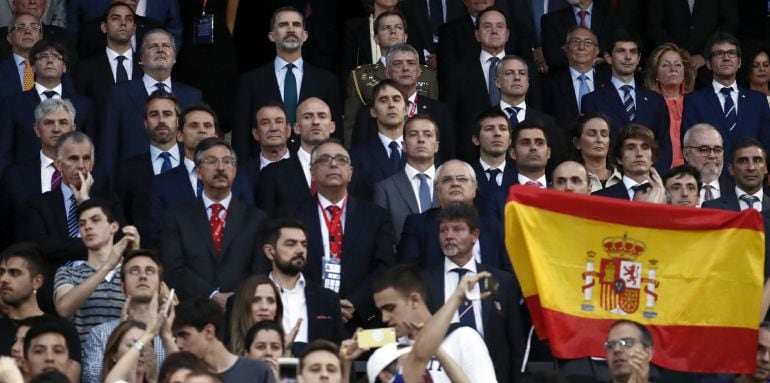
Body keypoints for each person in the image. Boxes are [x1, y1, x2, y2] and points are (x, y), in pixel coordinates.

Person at [283, 138, 395, 329]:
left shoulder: (376, 216)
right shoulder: (290, 215)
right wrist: (320, 302)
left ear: (350, 173)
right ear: (312, 172)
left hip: (361, 321)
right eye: (325, 159)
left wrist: (355, 302)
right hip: (306, 316)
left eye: (341, 159)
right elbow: (284, 264)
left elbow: (384, 267)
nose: (333, 164)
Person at [422, 203, 524, 383]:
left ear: (475, 235)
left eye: (457, 229)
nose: (449, 236)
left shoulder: (501, 281)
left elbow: (516, 345)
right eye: (443, 230)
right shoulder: (424, 282)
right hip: (441, 375)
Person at [159, 138, 267, 302]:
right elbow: (174, 268)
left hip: (240, 309)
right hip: (193, 310)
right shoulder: (176, 217)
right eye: (211, 161)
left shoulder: (256, 218)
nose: (221, 168)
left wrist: (233, 299)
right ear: (198, 172)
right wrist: (212, 296)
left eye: (227, 161)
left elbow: (259, 269)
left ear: (235, 170)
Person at [231, 6, 342, 160]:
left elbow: (336, 135)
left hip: (314, 168)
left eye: (296, 25)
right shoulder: (249, 81)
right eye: (283, 25)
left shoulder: (327, 81)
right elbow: (241, 137)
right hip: (264, 170)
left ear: (305, 35)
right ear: (271, 35)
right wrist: (244, 176)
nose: (291, 29)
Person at [145, 104, 254, 247]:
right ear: (179, 135)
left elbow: (249, 225)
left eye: (207, 126)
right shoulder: (162, 183)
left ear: (216, 135)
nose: (202, 130)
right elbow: (157, 235)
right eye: (194, 126)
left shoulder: (238, 177)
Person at [99, 28, 203, 175]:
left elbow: (199, 144)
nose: (160, 50)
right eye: (153, 46)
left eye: (166, 46)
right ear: (141, 58)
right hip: (132, 183)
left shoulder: (192, 96)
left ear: (174, 57)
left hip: (183, 183)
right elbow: (108, 146)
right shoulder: (119, 93)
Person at [373, 264, 498, 382]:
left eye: (390, 308)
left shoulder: (463, 337)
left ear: (414, 300)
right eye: (381, 311)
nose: (384, 318)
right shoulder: (388, 351)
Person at [343, 10, 439, 145]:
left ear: (406, 36)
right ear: (375, 38)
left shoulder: (427, 74)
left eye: (398, 27)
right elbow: (351, 123)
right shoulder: (360, 76)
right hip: (377, 146)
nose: (393, 31)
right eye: (386, 28)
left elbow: (435, 114)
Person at [0, 38, 95, 173]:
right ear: (32, 66)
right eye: (43, 56)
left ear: (64, 67)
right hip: (25, 182)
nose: (50, 61)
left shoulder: (84, 105)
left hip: (72, 181)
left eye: (56, 57)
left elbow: (91, 151)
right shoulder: (12, 104)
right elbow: (4, 152)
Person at [398, 159, 511, 272]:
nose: (455, 183)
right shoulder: (418, 224)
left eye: (462, 179)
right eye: (447, 180)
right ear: (437, 191)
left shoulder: (494, 226)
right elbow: (406, 275)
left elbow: (507, 273)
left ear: (474, 189)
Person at [581, 29, 671, 170]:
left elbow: (664, 145)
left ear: (639, 58)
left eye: (633, 52)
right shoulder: (592, 100)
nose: (628, 57)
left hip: (649, 179)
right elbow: (591, 145)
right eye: (621, 51)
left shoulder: (656, 100)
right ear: (608, 57)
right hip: (610, 179)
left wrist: (654, 177)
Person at [82, 249, 176, 383]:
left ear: (161, 287)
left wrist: (166, 338)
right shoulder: (102, 333)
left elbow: (187, 377)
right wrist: (121, 336)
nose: (143, 276)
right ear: (122, 287)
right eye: (134, 271)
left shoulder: (173, 333)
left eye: (149, 271)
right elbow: (92, 379)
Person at [351, 43, 453, 163]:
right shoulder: (366, 114)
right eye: (398, 64)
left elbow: (447, 158)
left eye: (411, 63)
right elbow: (358, 158)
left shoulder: (439, 111)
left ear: (419, 71)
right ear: (387, 72)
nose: (405, 68)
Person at [53, 198, 137, 342]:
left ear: (114, 227)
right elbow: (63, 309)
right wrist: (107, 267)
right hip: (86, 361)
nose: (88, 227)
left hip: (129, 357)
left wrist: (137, 257)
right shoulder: (68, 272)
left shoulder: (132, 273)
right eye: (82, 223)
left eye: (95, 220)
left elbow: (164, 303)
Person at [0, 98, 77, 249]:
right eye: (48, 123)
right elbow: (4, 229)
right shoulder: (13, 177)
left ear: (73, 129)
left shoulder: (94, 174)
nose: (56, 129)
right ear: (36, 129)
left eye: (63, 122)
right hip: (29, 262)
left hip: (78, 262)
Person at [262, 218, 347, 353]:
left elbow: (341, 351)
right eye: (291, 244)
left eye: (304, 244)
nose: (300, 250)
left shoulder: (327, 299)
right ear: (270, 252)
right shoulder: (249, 296)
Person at [0, 245, 81, 382]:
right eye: (1, 272)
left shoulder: (62, 329)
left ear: (37, 281)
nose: (4, 279)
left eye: (14, 273)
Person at [682, 32, 770, 158]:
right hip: (711, 175)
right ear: (708, 63)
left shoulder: (758, 100)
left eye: (732, 53)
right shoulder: (694, 100)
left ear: (739, 62)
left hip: (751, 174)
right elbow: (691, 146)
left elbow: (767, 143)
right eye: (719, 54)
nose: (726, 58)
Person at [115, 91, 183, 239]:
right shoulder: (128, 170)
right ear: (145, 123)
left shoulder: (195, 164)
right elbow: (123, 216)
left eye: (167, 114)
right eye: (154, 114)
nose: (161, 120)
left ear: (178, 121)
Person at [255, 97, 336, 214]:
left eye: (322, 116)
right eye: (307, 117)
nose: (315, 122)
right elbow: (264, 223)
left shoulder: (349, 170)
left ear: (332, 126)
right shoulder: (272, 174)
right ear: (296, 128)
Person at [702, 138, 770, 278]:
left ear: (766, 168)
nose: (751, 167)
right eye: (743, 161)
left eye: (757, 160)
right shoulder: (712, 209)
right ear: (731, 169)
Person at [173, 298, 274, 383]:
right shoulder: (187, 378)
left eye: (184, 335)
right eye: (176, 337)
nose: (178, 344)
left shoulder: (258, 371)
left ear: (209, 331)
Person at [374, 114, 440, 242]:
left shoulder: (450, 183)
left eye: (428, 134)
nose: (421, 139)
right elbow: (383, 238)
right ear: (403, 145)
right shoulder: (385, 189)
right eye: (413, 134)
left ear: (436, 146)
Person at [74, 1, 142, 122]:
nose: (123, 23)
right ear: (104, 27)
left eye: (129, 19)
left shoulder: (147, 67)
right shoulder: (85, 70)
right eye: (116, 18)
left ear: (134, 27)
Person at [494, 54, 566, 165]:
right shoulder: (487, 119)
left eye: (522, 73)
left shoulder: (547, 122)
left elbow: (554, 162)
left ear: (527, 82)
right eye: (509, 73)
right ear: (497, 82)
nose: (517, 77)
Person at [350, 79, 407, 198]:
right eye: (383, 100)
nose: (391, 105)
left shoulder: (423, 152)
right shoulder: (357, 156)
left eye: (396, 99)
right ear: (373, 112)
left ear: (406, 110)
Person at [543, 26, 607, 130]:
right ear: (566, 49)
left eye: (588, 43)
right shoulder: (549, 84)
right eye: (576, 41)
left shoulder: (609, 82)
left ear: (596, 51)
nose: (581, 47)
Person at [645, 43, 696, 168]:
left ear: (684, 72)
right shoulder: (647, 104)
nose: (673, 69)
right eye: (665, 65)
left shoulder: (697, 103)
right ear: (656, 74)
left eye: (678, 65)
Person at [541, 0, 621, 71]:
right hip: (565, 82)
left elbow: (613, 52)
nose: (581, 47)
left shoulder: (611, 19)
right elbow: (554, 58)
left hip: (602, 80)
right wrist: (592, 61)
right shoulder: (551, 20)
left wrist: (571, 53)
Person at [593, 124, 657, 200]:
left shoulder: (668, 196)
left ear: (652, 158)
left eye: (645, 147)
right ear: (619, 158)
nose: (639, 154)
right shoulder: (599, 198)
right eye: (631, 148)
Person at [228, 275, 283, 355]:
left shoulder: (288, 350)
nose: (264, 307)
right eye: (256, 300)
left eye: (270, 301)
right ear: (244, 307)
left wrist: (286, 353)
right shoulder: (225, 355)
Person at [570, 112, 621, 192]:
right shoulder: (568, 178)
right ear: (577, 142)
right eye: (591, 134)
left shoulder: (623, 178)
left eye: (604, 135)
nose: (599, 140)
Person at [682, 123, 730, 205]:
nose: (712, 155)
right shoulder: (673, 190)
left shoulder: (737, 190)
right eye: (704, 149)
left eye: (717, 150)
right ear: (686, 154)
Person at [0, 13, 43, 99]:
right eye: (20, 27)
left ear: (41, 37)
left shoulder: (54, 66)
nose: (27, 31)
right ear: (9, 37)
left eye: (34, 27)